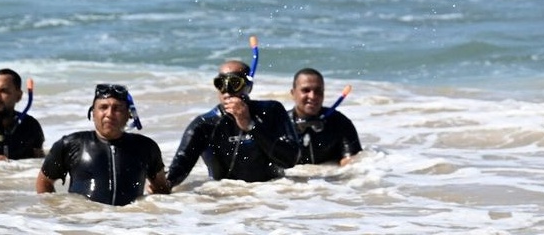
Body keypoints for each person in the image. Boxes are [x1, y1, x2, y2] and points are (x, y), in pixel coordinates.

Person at [167, 59, 300, 187]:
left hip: (271, 196)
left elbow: (290, 159)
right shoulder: (204, 124)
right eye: (220, 83)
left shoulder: (271, 111)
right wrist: (165, 183)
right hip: (228, 198)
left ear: (248, 87)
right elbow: (180, 166)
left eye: (234, 83)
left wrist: (250, 125)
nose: (226, 90)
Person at [36, 83, 169, 206]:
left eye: (117, 108)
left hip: (130, 222)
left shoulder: (145, 147)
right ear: (93, 113)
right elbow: (44, 182)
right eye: (103, 107)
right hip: (84, 224)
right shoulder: (70, 144)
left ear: (129, 114)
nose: (109, 114)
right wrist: (55, 213)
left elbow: (161, 188)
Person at [289, 68, 363, 166]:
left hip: (328, 180)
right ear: (293, 93)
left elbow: (352, 162)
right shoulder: (279, 124)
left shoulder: (340, 122)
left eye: (318, 91)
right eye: (306, 90)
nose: (312, 96)